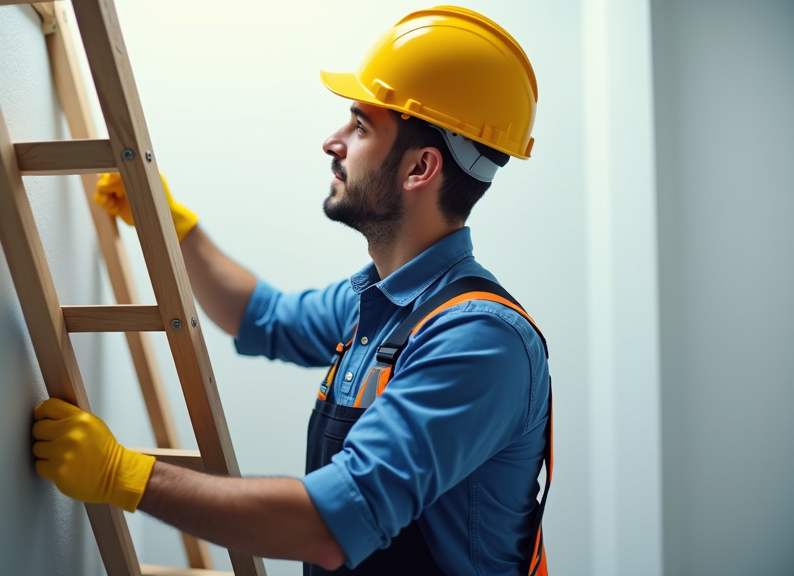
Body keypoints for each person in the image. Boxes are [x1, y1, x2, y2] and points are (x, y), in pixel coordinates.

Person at [31, 6, 551, 575]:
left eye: (360, 126)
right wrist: (175, 227)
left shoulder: (476, 340)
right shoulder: (374, 303)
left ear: (419, 168)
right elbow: (264, 316)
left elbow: (326, 526)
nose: (332, 141)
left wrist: (124, 477)